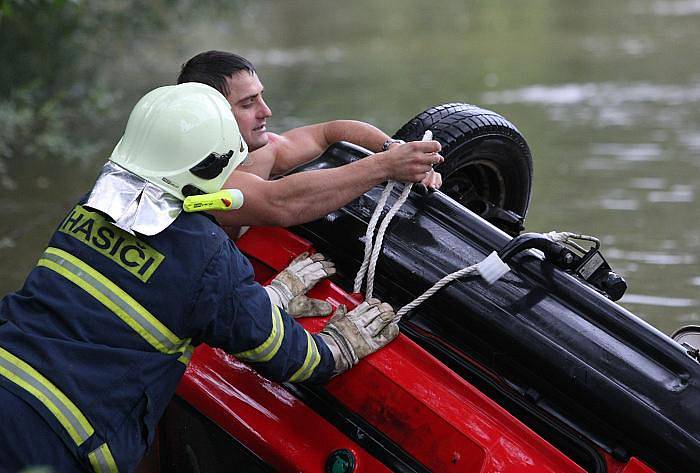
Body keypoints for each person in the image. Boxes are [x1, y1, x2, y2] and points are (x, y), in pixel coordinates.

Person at [0, 83, 399, 472]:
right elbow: (295, 360)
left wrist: (265, 301)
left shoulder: (90, 208)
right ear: (215, 165)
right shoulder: (205, 255)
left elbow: (136, 293)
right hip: (55, 440)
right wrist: (341, 346)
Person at [176, 50, 444, 237]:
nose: (266, 111)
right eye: (248, 103)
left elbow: (328, 133)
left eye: (261, 97)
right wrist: (387, 166)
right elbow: (279, 203)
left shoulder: (259, 151)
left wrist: (392, 148)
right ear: (212, 114)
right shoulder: (196, 175)